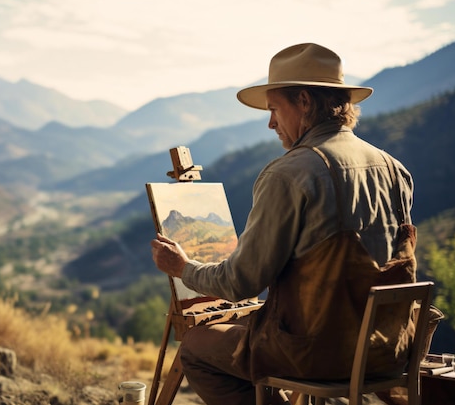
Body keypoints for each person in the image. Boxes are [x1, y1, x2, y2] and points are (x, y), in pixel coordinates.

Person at [150, 43, 417, 405]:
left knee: (196, 347)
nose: (271, 122)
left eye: (275, 108)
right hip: (387, 347)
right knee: (248, 328)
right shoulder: (395, 168)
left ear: (304, 102)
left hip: (319, 354)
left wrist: (184, 268)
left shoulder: (291, 173)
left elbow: (241, 282)